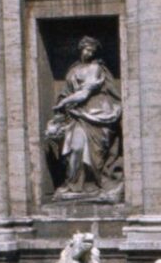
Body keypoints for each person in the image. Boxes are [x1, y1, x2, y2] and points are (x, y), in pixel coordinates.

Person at [45, 35, 124, 200]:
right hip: (76, 116)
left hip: (97, 113)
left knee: (95, 153)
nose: (89, 53)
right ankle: (75, 185)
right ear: (81, 49)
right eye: (87, 49)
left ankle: (92, 184)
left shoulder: (96, 69)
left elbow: (84, 93)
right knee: (76, 148)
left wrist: (64, 102)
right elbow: (66, 92)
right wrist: (61, 107)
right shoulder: (72, 71)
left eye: (92, 51)